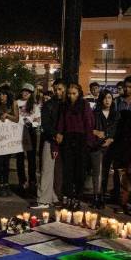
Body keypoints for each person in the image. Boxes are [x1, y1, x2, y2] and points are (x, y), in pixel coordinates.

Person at [52, 83, 93, 212]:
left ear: (79, 93)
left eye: (74, 93)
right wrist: (58, 137)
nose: (71, 96)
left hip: (81, 140)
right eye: (69, 93)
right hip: (68, 139)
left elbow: (88, 123)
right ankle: (68, 196)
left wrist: (88, 143)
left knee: (80, 171)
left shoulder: (84, 105)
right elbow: (61, 123)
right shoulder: (64, 105)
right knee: (68, 170)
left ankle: (78, 198)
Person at [31, 80, 65, 210]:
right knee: (47, 169)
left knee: (58, 172)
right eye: (56, 89)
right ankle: (44, 199)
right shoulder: (48, 104)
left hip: (62, 141)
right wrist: (54, 135)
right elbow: (45, 124)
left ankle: (54, 197)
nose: (58, 92)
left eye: (60, 89)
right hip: (50, 140)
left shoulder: (66, 104)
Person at [90, 90, 116, 207]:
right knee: (97, 171)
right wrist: (95, 132)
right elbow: (90, 128)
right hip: (97, 146)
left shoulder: (116, 114)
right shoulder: (95, 113)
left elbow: (117, 130)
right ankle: (96, 196)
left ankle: (102, 195)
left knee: (105, 172)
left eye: (109, 98)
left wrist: (111, 139)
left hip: (110, 147)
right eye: (105, 98)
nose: (107, 100)